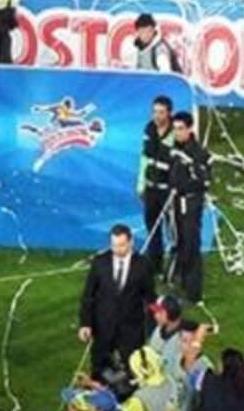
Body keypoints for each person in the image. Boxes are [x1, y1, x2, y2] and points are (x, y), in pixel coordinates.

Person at [77, 224, 156, 379]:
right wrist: (85, 323)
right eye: (114, 245)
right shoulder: (100, 262)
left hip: (131, 329)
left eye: (121, 245)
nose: (117, 249)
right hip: (103, 327)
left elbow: (149, 296)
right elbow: (88, 296)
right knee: (99, 370)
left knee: (133, 371)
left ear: (131, 242)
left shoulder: (143, 265)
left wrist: (153, 327)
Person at [166, 111, 209, 302]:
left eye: (181, 128)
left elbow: (205, 180)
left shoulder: (199, 152)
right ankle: (181, 280)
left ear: (190, 129)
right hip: (176, 202)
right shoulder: (174, 149)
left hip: (191, 202)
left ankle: (194, 293)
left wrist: (190, 165)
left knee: (191, 244)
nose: (177, 132)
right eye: (174, 129)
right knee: (180, 241)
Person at [138, 95, 176, 276]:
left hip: (168, 191)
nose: (157, 116)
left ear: (169, 113)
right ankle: (155, 267)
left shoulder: (176, 133)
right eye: (154, 111)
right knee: (152, 229)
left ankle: (176, 267)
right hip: (150, 189)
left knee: (174, 230)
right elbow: (144, 158)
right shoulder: (149, 129)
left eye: (161, 112)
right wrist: (141, 185)